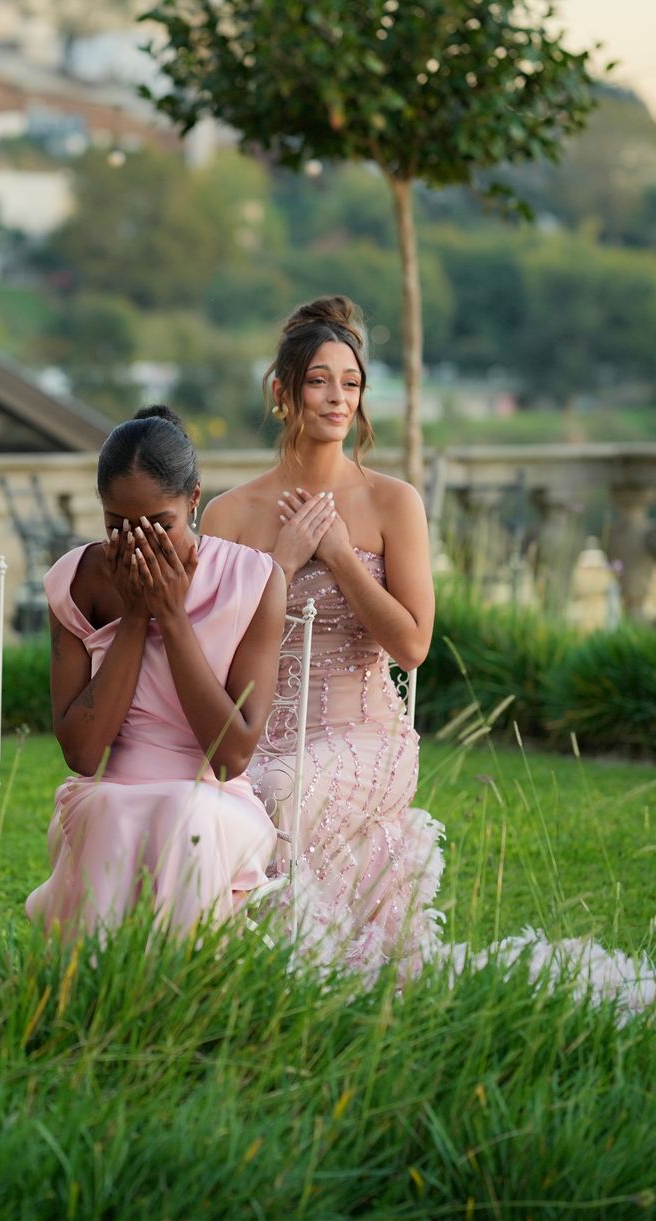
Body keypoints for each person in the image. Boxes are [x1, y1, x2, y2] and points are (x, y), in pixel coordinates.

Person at [200, 295, 442, 977]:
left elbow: (414, 645)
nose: (338, 397)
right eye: (318, 380)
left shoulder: (393, 501)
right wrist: (275, 563)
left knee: (279, 793)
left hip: (365, 736)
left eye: (352, 382)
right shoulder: (229, 512)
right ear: (282, 393)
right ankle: (229, 976)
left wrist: (338, 553)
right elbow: (207, 650)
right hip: (254, 734)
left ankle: (317, 972)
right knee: (213, 799)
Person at [26, 405, 287, 940]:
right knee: (126, 810)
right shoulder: (77, 581)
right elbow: (82, 754)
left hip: (214, 799)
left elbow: (231, 755)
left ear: (194, 499)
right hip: (105, 793)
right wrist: (137, 616)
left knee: (183, 812)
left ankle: (173, 1000)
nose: (139, 544)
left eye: (158, 526)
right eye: (117, 527)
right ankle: (109, 1001)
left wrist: (171, 616)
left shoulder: (253, 580)